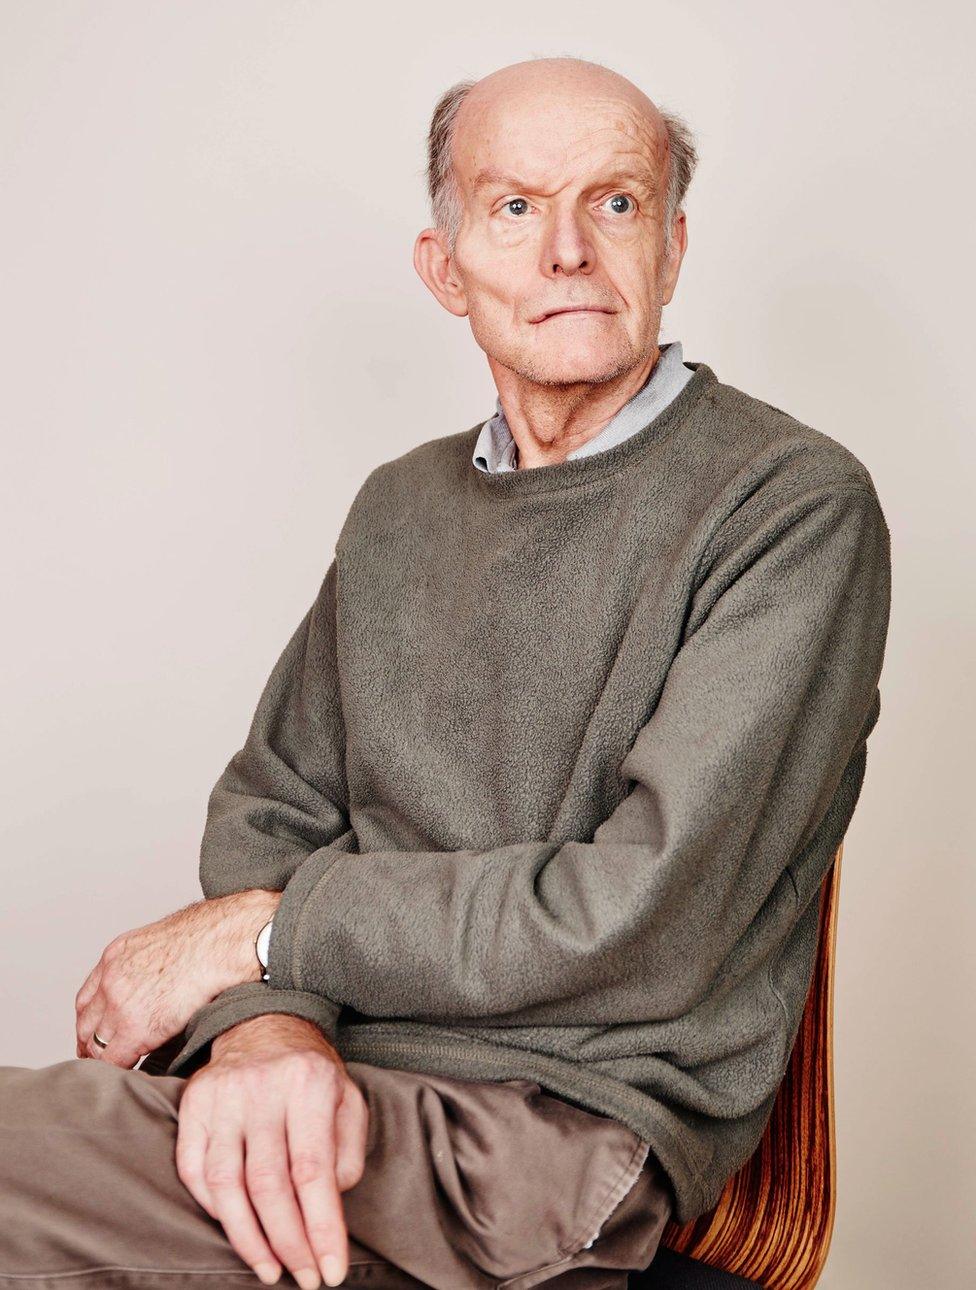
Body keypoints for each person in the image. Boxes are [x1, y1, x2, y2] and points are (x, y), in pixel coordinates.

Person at [0, 54, 891, 1290]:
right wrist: (266, 1025)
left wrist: (266, 939)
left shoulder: (788, 507)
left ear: (672, 248)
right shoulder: (398, 509)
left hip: (545, 1139)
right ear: (445, 268)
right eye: (515, 206)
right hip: (330, 1080)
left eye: (615, 202)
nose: (569, 249)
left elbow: (639, 919)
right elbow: (273, 808)